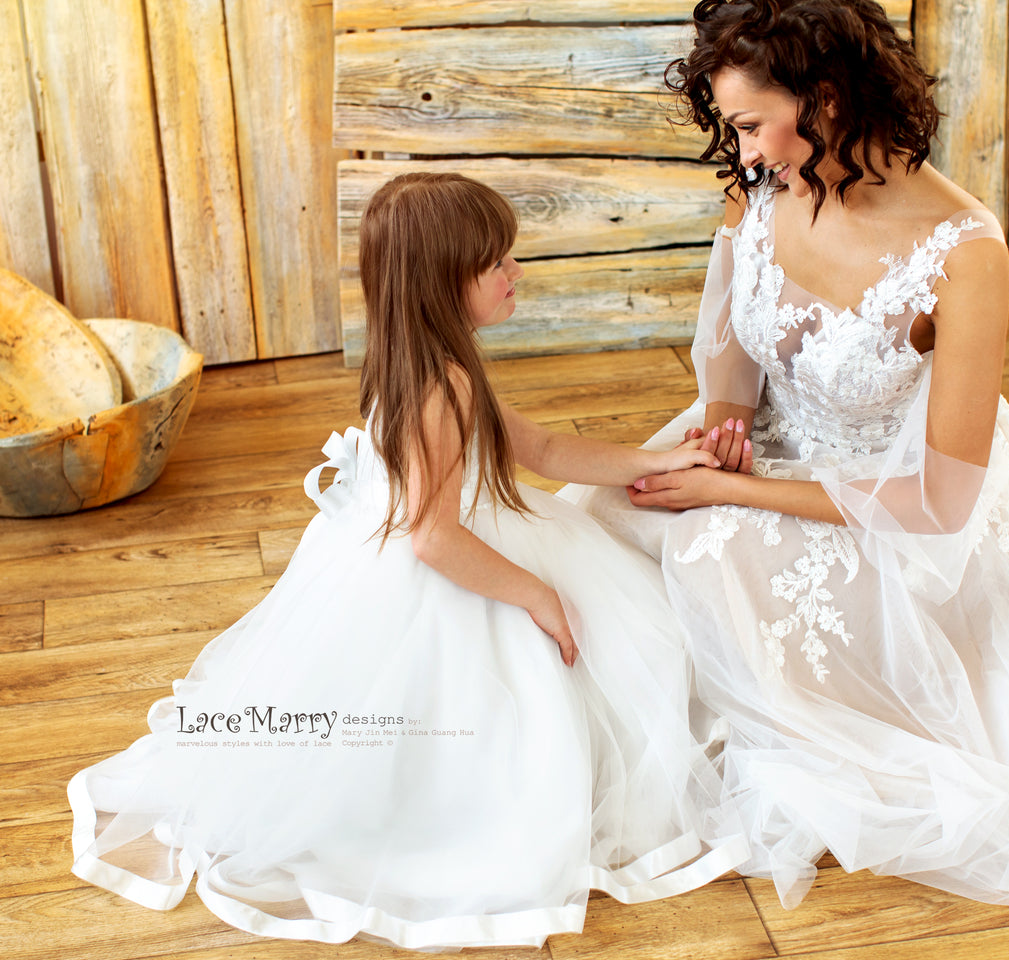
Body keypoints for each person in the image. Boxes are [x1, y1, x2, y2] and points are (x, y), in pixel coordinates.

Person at [568, 0, 1009, 910]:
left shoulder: (964, 250)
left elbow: (941, 504)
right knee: (613, 513)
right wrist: (725, 420)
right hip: (776, 448)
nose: (743, 152)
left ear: (824, 97)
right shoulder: (768, 180)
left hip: (905, 517)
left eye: (751, 124)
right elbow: (738, 329)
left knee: (710, 551)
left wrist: (726, 494)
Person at [68, 172, 747, 951]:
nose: (515, 272)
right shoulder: (443, 387)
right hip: (449, 563)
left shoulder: (428, 361)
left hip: (429, 540)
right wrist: (538, 596)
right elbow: (433, 538)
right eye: (498, 263)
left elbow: (543, 448)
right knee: (517, 691)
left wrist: (649, 463)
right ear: (443, 284)